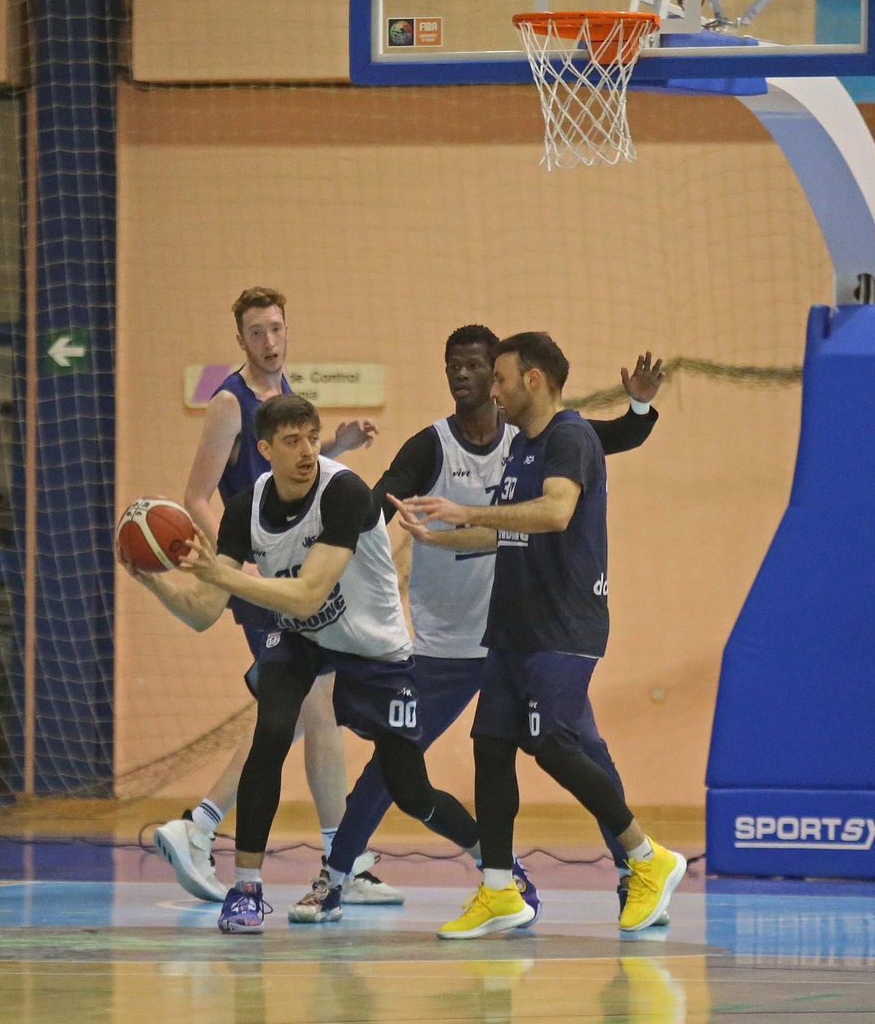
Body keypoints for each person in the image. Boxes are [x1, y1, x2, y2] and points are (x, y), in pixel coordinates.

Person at [289, 325, 663, 924]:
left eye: (478, 367)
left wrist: (640, 403)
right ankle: (379, 877)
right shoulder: (435, 446)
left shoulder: (545, 437)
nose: (465, 376)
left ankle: (635, 869)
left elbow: (614, 438)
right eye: (452, 366)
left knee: (574, 750)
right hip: (455, 643)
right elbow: (376, 502)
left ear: (505, 378)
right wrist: (322, 503)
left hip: (533, 632)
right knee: (414, 759)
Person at [131, 394, 485, 934]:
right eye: (292, 441)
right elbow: (205, 614)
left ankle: (495, 862)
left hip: (371, 649)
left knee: (410, 789)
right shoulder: (244, 507)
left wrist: (222, 576)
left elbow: (308, 593)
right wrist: (152, 577)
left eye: (312, 437)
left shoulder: (342, 493)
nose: (306, 451)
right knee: (271, 731)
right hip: (298, 642)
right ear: (265, 449)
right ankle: (246, 889)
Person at [394, 332, 686, 939]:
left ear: (532, 380)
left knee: (552, 743)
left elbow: (554, 514)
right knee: (491, 745)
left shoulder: (570, 437)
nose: (491, 391)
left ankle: (645, 857)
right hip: (513, 625)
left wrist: (468, 511)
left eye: (499, 378)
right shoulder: (522, 449)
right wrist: (442, 539)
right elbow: (512, 532)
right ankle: (500, 890)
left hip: (564, 622)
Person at [150, 287, 398, 912]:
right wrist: (239, 562)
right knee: (306, 708)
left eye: (277, 328)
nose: (269, 340)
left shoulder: (285, 397)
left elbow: (295, 481)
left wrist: (336, 449)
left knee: (309, 713)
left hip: (290, 567)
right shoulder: (229, 404)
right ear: (240, 340)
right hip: (261, 575)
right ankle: (226, 830)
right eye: (256, 331)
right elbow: (198, 494)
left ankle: (337, 858)